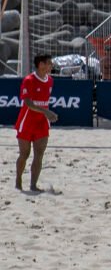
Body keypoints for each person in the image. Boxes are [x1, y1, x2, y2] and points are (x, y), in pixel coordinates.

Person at [15, 54, 57, 192]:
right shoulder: (29, 80)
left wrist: (46, 113)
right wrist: (46, 112)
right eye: (49, 63)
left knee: (39, 154)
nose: (51, 65)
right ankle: (18, 179)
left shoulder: (50, 80)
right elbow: (28, 103)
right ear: (41, 64)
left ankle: (33, 185)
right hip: (27, 120)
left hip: (42, 122)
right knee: (24, 154)